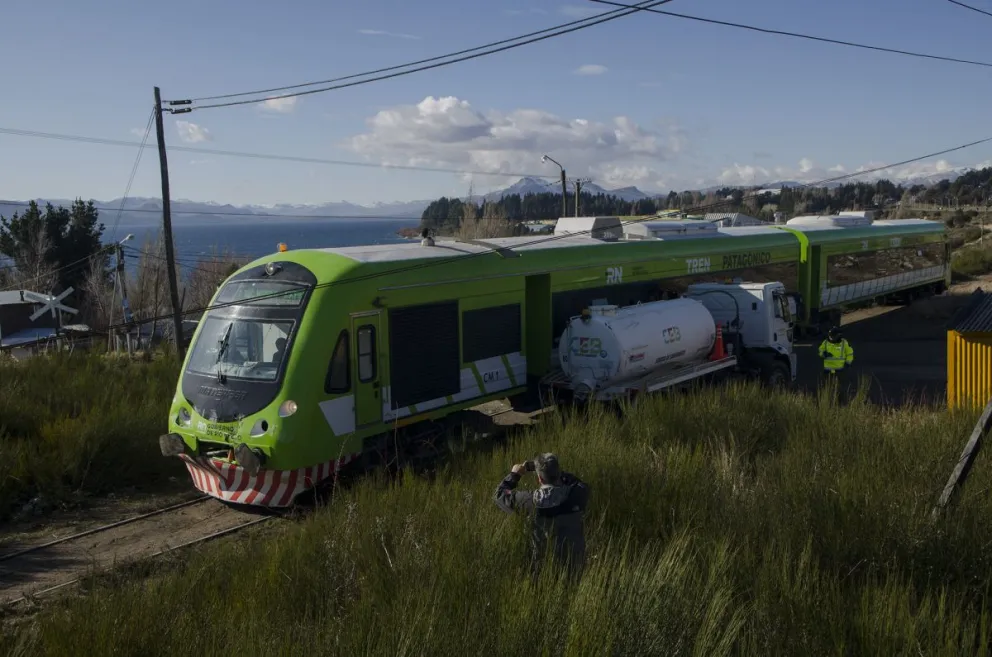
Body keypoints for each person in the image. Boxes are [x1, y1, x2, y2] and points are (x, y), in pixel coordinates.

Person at [493, 453, 589, 582]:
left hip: (543, 570)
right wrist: (557, 472)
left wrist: (515, 475)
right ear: (558, 473)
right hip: (575, 568)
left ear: (540, 479)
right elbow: (578, 482)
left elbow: (499, 494)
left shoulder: (528, 501)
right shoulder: (577, 495)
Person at [818, 326, 854, 393]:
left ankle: (840, 400)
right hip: (828, 370)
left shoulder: (844, 343)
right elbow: (820, 350)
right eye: (830, 336)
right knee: (826, 387)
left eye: (833, 336)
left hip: (840, 370)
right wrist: (824, 354)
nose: (831, 338)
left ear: (838, 335)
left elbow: (850, 353)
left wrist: (848, 363)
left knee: (840, 388)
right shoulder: (825, 342)